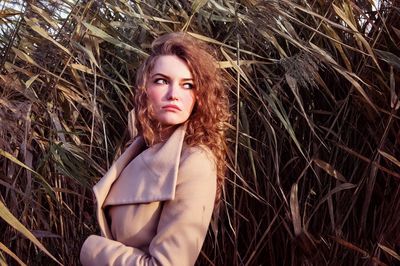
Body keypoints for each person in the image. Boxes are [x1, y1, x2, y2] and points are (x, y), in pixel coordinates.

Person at [80, 32, 230, 265]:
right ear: (144, 89)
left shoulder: (195, 161)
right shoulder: (138, 148)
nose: (174, 94)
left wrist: (91, 251)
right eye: (161, 81)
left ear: (199, 97)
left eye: (187, 85)